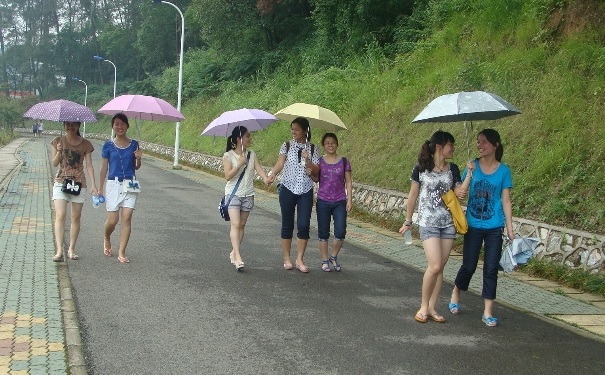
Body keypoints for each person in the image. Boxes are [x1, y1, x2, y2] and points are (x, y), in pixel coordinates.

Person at [399, 130, 471, 323]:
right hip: (428, 223)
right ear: (440, 146)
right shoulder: (421, 168)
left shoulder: (453, 168)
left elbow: (459, 191)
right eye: (451, 145)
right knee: (435, 265)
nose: (453, 148)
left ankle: (432, 307)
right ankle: (423, 306)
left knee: (440, 268)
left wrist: (469, 174)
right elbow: (413, 195)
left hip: (447, 224)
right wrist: (408, 221)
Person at [449, 129, 514, 327]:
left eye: (484, 142)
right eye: (478, 142)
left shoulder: (504, 171)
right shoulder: (473, 166)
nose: (480, 145)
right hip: (474, 225)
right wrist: (468, 173)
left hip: (494, 226)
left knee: (491, 268)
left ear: (495, 145)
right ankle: (456, 292)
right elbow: (460, 193)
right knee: (469, 265)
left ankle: (487, 311)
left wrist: (510, 229)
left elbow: (506, 201)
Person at [267, 117, 320, 273]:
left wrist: (307, 159)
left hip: (305, 190)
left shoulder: (313, 148)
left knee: (304, 225)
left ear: (305, 130)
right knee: (287, 224)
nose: (293, 132)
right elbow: (280, 163)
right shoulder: (287, 145)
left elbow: (317, 170)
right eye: (292, 129)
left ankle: (300, 259)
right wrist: (272, 174)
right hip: (288, 188)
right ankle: (287, 258)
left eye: (297, 129)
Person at [222, 126, 272, 271]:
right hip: (233, 195)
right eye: (247, 136)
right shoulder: (228, 156)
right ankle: (238, 257)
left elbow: (259, 170)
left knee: (242, 225)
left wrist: (265, 179)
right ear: (239, 139)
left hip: (248, 194)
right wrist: (239, 164)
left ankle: (233, 252)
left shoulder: (252, 154)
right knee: (235, 224)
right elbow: (227, 176)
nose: (250, 138)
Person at [50, 121, 98, 261]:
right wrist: (59, 151)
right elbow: (54, 164)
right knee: (60, 215)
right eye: (68, 125)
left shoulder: (86, 144)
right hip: (61, 181)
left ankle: (71, 249)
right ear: (64, 125)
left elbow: (89, 165)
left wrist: (93, 184)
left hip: (78, 183)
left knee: (75, 217)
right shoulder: (58, 141)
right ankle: (59, 250)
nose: (71, 127)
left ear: (78, 126)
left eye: (74, 125)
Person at [98, 113, 142, 264]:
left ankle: (122, 251)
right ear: (113, 126)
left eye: (122, 124)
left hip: (130, 184)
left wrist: (138, 158)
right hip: (113, 184)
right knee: (113, 220)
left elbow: (136, 167)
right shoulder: (108, 145)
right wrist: (99, 187)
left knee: (127, 217)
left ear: (127, 126)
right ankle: (107, 237)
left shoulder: (135, 144)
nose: (120, 127)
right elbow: (104, 168)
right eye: (116, 124)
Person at [311, 132, 352, 272]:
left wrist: (349, 199)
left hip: (340, 201)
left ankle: (333, 256)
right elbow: (316, 179)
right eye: (327, 143)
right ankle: (324, 260)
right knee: (323, 232)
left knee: (340, 231)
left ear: (337, 144)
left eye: (333, 142)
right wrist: (310, 172)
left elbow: (348, 182)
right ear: (323, 145)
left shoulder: (344, 161)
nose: (330, 145)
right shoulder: (319, 161)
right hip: (323, 200)